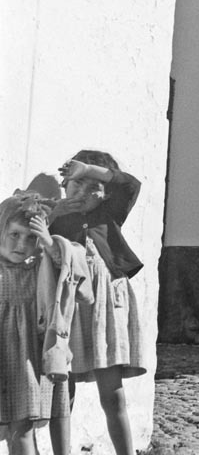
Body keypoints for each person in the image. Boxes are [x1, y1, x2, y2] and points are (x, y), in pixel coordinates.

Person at [48, 152, 144, 455]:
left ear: (107, 194)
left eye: (94, 187)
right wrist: (53, 213)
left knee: (112, 394)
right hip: (68, 311)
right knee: (62, 392)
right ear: (64, 185)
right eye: (76, 184)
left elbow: (130, 184)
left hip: (106, 310)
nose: (82, 193)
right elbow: (34, 240)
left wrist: (88, 169)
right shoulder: (56, 219)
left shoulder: (110, 214)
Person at [0, 192, 71, 455]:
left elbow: (69, 266)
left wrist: (48, 242)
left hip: (26, 362)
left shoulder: (40, 269)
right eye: (14, 234)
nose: (21, 244)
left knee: (22, 430)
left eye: (31, 238)